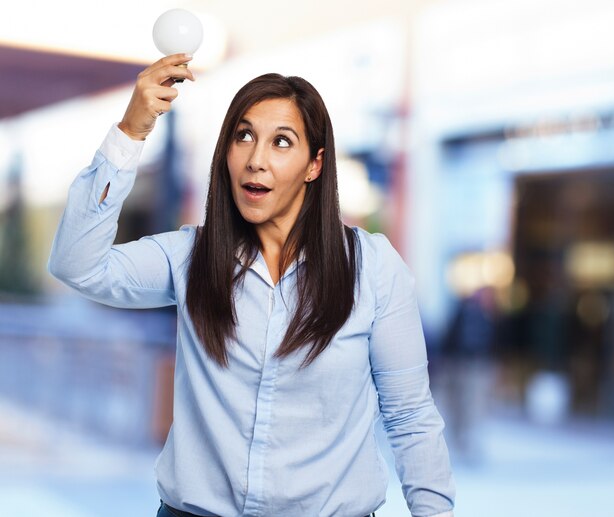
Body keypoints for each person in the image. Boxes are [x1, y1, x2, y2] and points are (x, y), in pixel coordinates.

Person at [49, 54, 455, 517]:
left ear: (314, 165)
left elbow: (410, 419)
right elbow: (76, 265)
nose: (256, 160)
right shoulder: (190, 257)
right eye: (244, 137)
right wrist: (130, 131)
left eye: (282, 142)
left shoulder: (372, 267)